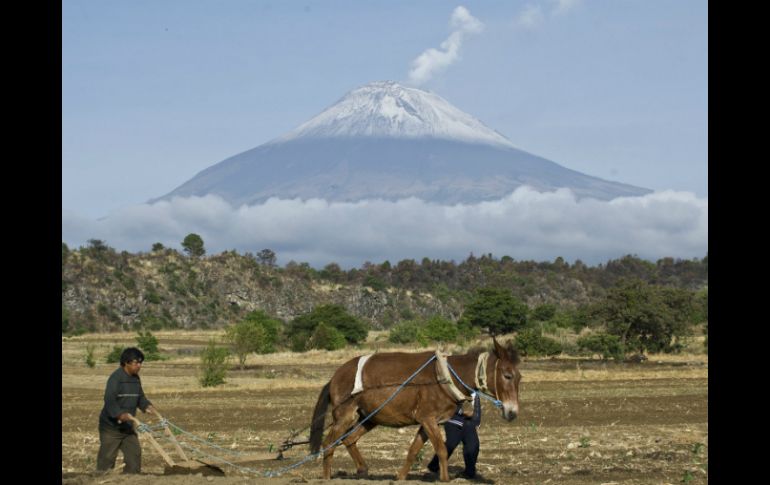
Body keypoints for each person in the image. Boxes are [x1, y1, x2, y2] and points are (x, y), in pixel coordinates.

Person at [96, 347, 157, 474]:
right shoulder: (116, 378)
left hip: (128, 428)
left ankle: (131, 480)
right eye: (136, 363)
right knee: (106, 460)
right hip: (111, 428)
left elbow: (140, 397)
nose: (139, 366)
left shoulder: (136, 379)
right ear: (126, 363)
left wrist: (147, 406)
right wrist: (119, 414)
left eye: (140, 363)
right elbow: (109, 400)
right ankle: (101, 479)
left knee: (134, 456)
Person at [427, 392, 482, 480]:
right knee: (451, 444)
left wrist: (476, 421)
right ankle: (433, 467)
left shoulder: (473, 390)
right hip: (453, 420)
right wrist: (461, 411)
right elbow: (445, 403)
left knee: (473, 446)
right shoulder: (453, 386)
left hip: (469, 423)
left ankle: (469, 473)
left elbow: (477, 406)